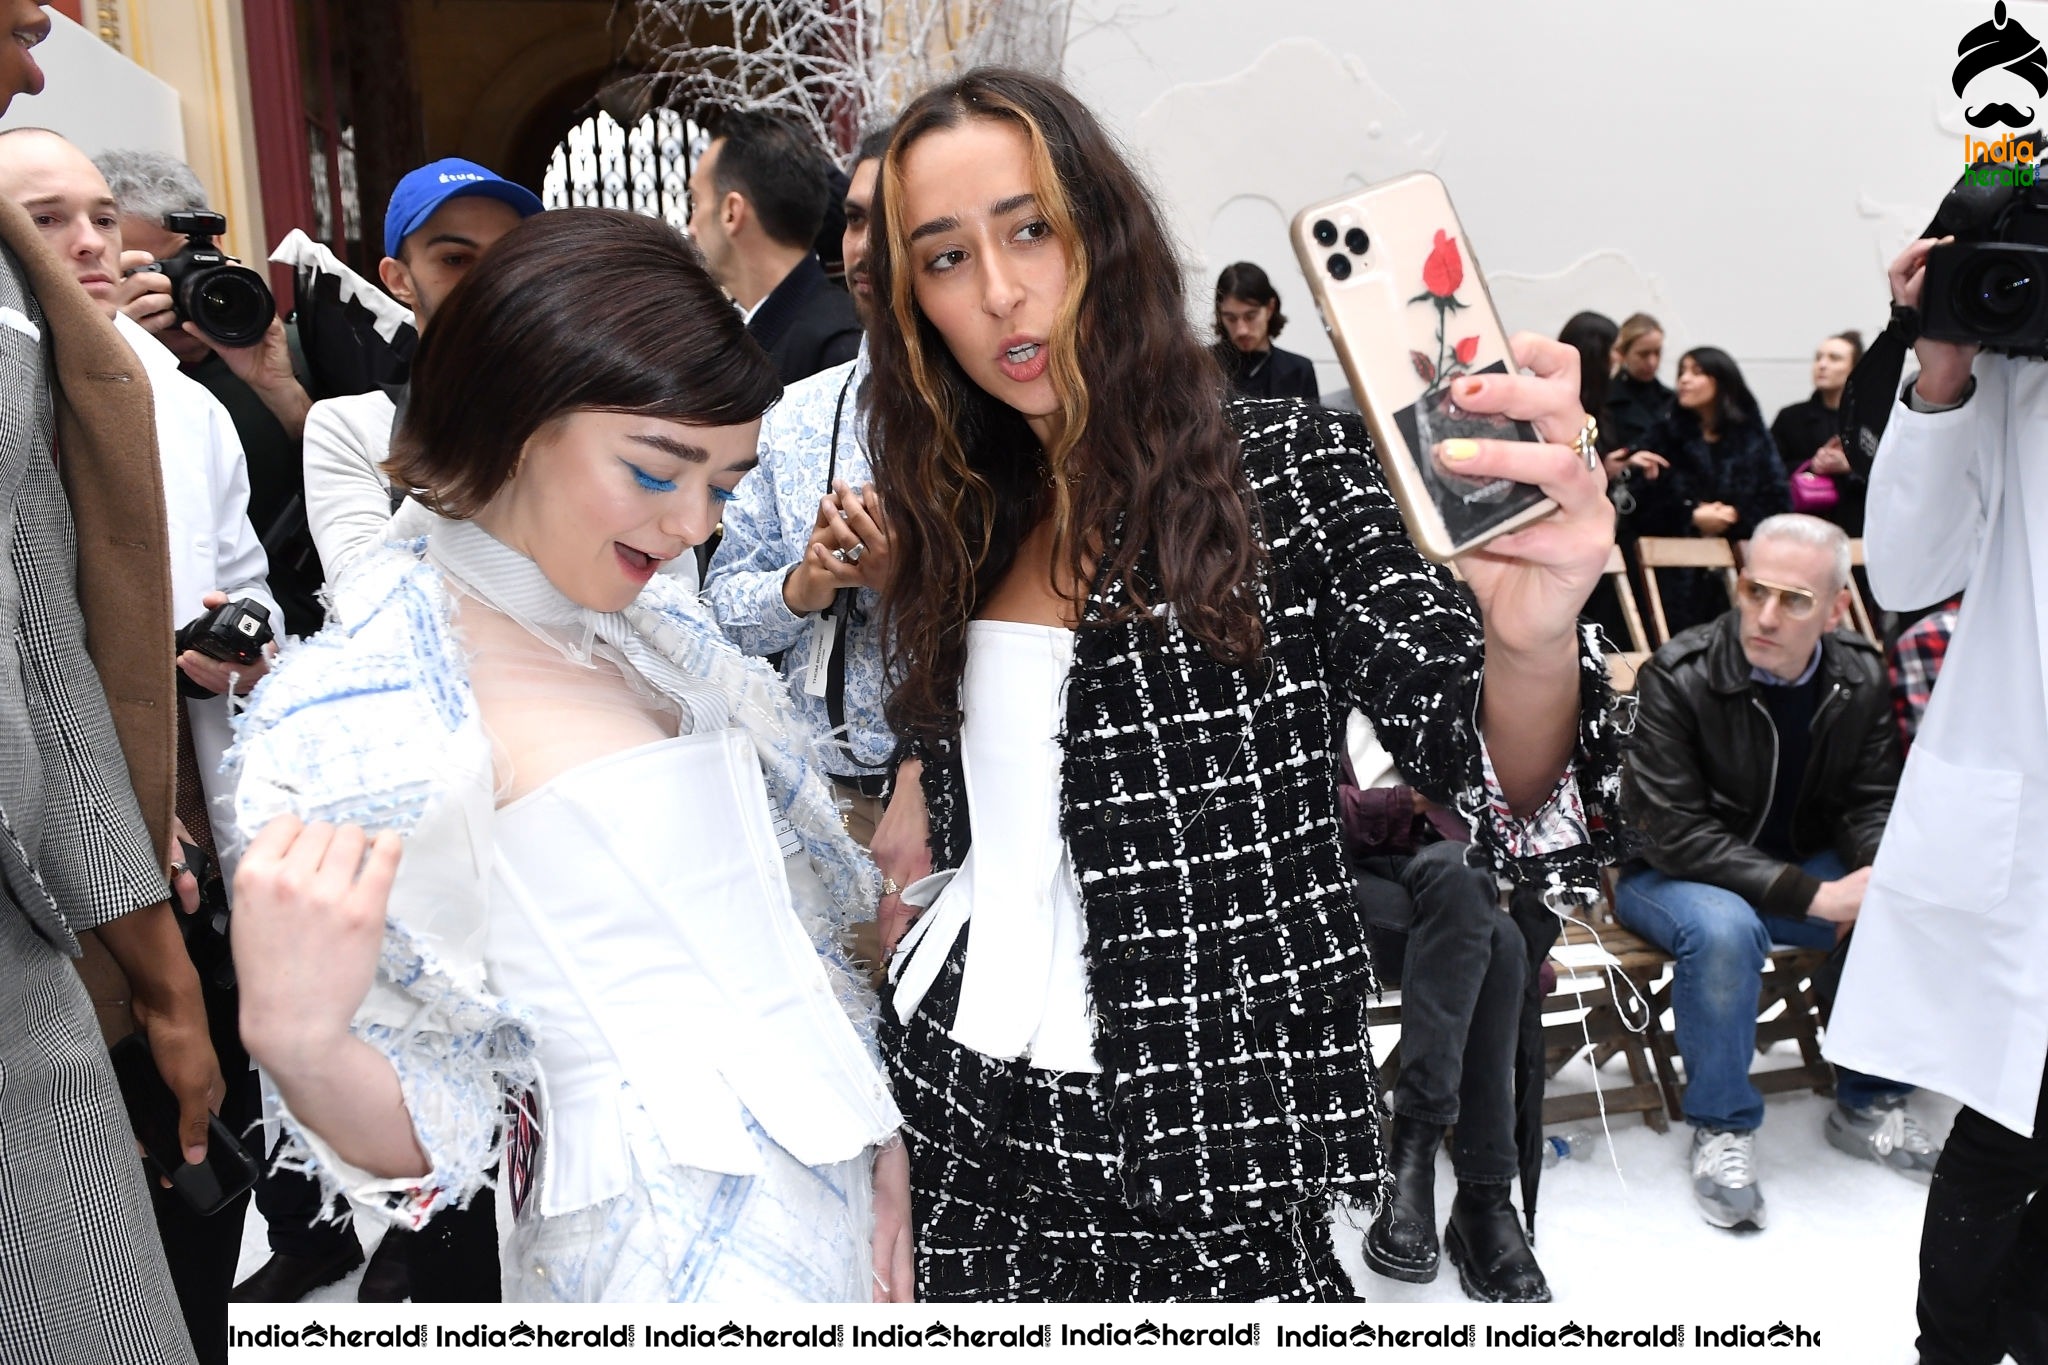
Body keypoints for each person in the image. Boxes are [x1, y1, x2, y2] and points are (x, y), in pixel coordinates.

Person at [861, 68, 1620, 1302]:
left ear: (1103, 234)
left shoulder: (1283, 467)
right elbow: (982, 799)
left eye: (1030, 229)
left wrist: (1529, 641)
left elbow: (1490, 780)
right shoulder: (962, 508)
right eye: (943, 259)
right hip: (955, 1123)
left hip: (1203, 1153)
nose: (998, 289)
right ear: (912, 305)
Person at [228, 207, 910, 1304]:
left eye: (724, 487)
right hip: (656, 1260)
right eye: (654, 472)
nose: (694, 521)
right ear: (513, 419)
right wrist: (300, 1042)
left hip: (847, 1197)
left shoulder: (656, 630)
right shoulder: (375, 711)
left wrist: (881, 1148)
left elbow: (792, 939)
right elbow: (423, 1141)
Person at [0, 127, 281, 1365]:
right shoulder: (35, 388)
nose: (87, 244)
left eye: (103, 216)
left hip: (183, 848)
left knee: (191, 1190)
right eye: (45, 219)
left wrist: (226, 644)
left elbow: (247, 579)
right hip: (65, 868)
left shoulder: (175, 397)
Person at [1824, 236, 2048, 1365]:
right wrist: (1943, 367)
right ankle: (1952, 1349)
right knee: (2006, 1128)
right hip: (2029, 816)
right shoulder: (2018, 368)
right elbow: (1905, 577)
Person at [1615, 513, 1937, 1232]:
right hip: (1668, 871)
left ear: (1834, 608)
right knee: (1727, 930)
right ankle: (1723, 1126)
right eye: (1755, 589)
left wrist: (1877, 871)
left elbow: (1869, 800)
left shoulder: (1857, 672)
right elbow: (1674, 830)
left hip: (1790, 859)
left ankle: (1870, 1100)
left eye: (1793, 599)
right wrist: (1813, 893)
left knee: (1894, 900)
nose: (1765, 614)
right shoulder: (1681, 672)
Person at [707, 125, 897, 850]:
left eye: (894, 219)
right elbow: (719, 611)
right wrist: (800, 587)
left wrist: (908, 580)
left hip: (957, 806)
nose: (866, 246)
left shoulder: (1001, 417)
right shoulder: (795, 414)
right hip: (806, 808)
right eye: (853, 219)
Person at [1340, 713, 1552, 1303]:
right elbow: (1291, 808)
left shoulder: (1440, 683)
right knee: (1496, 938)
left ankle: (1421, 1164)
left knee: (1495, 927)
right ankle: (1481, 1201)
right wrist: (1407, 803)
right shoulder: (1304, 664)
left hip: (1448, 888)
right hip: (1342, 889)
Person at [98, 148, 324, 637]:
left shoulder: (302, 349)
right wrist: (111, 349)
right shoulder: (87, 368)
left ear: (215, 245)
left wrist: (279, 388)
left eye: (178, 264)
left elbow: (368, 489)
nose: (174, 287)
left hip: (309, 629)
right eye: (147, 271)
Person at [301, 157, 541, 583]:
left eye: (507, 255)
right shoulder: (348, 425)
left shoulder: (588, 408)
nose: (487, 277)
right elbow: (357, 594)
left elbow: (673, 593)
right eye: (455, 259)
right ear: (398, 279)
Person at [687, 109, 860, 386]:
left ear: (732, 212)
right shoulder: (733, 340)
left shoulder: (841, 350)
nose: (691, 227)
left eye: (696, 203)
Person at [1627, 345, 1791, 633]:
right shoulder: (1663, 434)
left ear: (1722, 381)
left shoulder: (1752, 437)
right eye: (1681, 372)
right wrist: (1691, 514)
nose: (1684, 380)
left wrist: (1735, 516)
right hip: (1673, 576)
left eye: (1696, 372)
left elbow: (1778, 500)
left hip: (1739, 570)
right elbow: (1641, 503)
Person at [1770, 331, 1866, 536]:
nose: (1822, 365)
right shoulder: (1791, 417)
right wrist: (1813, 465)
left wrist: (1850, 467)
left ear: (1855, 367)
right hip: (1805, 527)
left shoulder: (1871, 419)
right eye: (1818, 357)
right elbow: (1768, 470)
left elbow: (1894, 474)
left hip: (1861, 525)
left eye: (1834, 358)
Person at [1210, 261, 1318, 402]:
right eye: (1231, 318)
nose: (1241, 330)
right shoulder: (1200, 366)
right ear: (1220, 315)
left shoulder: (1300, 370)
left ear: (1270, 309)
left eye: (1250, 316)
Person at [1602, 311, 1672, 452]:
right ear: (1623, 354)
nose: (1652, 362)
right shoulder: (1605, 399)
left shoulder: (1672, 399)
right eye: (1643, 354)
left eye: (1657, 353)